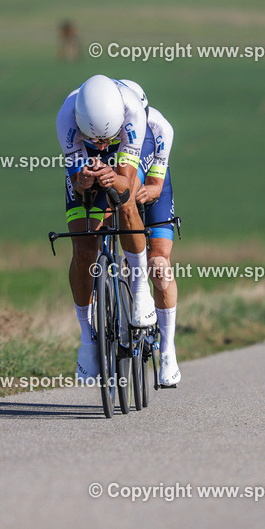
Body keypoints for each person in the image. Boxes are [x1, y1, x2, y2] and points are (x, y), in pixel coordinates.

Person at [56, 75, 156, 383]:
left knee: (125, 205)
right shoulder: (66, 117)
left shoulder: (133, 114)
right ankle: (87, 340)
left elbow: (126, 182)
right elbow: (76, 180)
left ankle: (140, 292)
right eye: (95, 139)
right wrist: (82, 180)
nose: (101, 146)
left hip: (123, 155)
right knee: (84, 248)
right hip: (84, 159)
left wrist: (113, 176)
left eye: (105, 138)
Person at [117, 79, 180, 387]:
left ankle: (168, 351)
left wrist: (149, 189)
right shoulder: (113, 127)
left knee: (159, 265)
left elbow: (156, 180)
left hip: (155, 189)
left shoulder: (159, 128)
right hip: (123, 189)